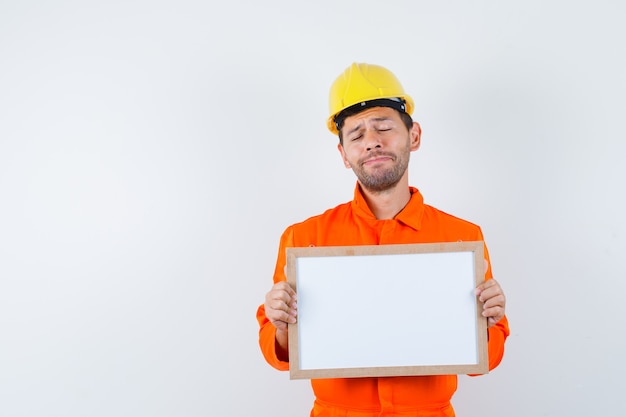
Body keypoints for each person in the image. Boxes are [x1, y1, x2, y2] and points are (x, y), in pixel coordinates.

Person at [256, 62, 509, 417]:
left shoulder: (463, 238)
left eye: (384, 127)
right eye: (356, 135)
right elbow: (277, 352)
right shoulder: (304, 238)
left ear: (415, 136)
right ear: (344, 155)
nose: (372, 141)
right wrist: (281, 324)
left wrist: (490, 320)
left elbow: (485, 359)